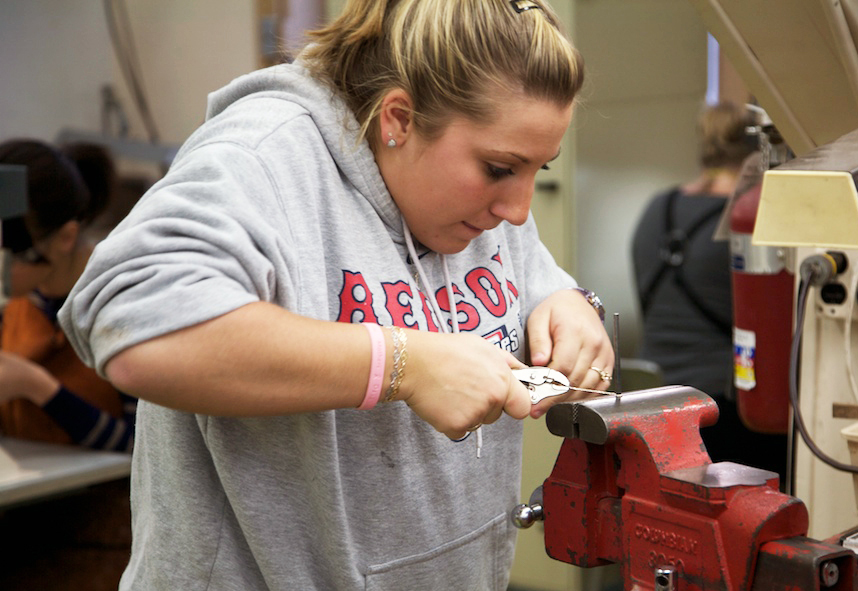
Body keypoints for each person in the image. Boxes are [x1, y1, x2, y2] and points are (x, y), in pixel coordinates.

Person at [58, 1, 612, 589]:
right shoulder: (263, 156)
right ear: (398, 118)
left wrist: (567, 301)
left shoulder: (480, 201)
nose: (519, 210)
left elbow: (529, 278)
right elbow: (138, 326)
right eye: (501, 169)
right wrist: (405, 365)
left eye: (537, 168)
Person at [630, 101, 788, 477]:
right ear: (759, 150)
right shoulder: (749, 222)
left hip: (652, 403)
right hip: (722, 410)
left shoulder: (657, 206)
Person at [0, 139, 135, 452]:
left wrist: (38, 387)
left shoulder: (120, 303)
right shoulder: (18, 299)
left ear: (65, 237)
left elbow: (142, 447)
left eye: (9, 252)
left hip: (100, 496)